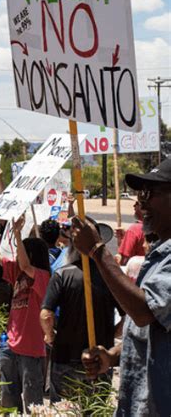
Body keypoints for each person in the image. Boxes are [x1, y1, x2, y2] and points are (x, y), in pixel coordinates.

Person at [78, 158, 171, 416]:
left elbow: (143, 312)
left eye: (151, 193)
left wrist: (97, 251)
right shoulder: (159, 255)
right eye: (141, 194)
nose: (142, 202)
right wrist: (113, 356)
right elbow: (152, 332)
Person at [39, 218, 122, 403]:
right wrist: (113, 332)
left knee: (64, 412)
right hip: (98, 360)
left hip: (66, 359)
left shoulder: (62, 274)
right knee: (94, 411)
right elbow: (127, 317)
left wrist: (51, 336)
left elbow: (46, 315)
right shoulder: (111, 275)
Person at [0, 215, 50, 413]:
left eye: (26, 251)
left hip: (31, 348)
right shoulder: (17, 273)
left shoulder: (43, 277)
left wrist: (17, 233)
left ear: (33, 254)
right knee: (7, 398)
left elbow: (25, 265)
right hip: (10, 343)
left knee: (33, 404)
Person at [115, 201, 145, 266]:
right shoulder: (160, 227)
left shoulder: (134, 230)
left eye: (137, 203)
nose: (134, 206)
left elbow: (124, 260)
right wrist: (124, 240)